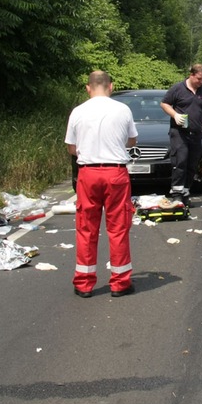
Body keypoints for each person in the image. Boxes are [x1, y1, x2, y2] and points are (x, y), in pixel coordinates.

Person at [64, 71, 138, 298]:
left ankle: (84, 283)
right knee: (118, 228)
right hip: (115, 173)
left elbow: (71, 148)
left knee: (86, 228)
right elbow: (132, 140)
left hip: (88, 173)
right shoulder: (122, 109)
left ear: (88, 88)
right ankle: (120, 282)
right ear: (111, 86)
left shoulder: (78, 111)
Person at [160, 64, 202, 198]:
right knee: (180, 161)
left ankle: (185, 192)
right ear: (191, 75)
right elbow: (164, 103)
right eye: (199, 79)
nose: (201, 82)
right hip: (179, 133)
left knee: (193, 164)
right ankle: (176, 194)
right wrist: (175, 114)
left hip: (196, 133)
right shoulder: (178, 88)